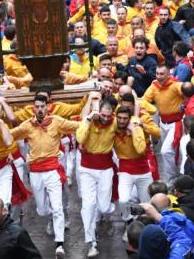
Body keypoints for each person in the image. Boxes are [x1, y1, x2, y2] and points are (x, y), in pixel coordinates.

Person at [10, 93, 80, 259]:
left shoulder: (57, 121)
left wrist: (91, 118)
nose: (40, 109)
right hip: (35, 172)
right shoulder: (27, 125)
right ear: (34, 107)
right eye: (37, 107)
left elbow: (77, 126)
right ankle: (52, 216)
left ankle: (59, 244)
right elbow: (10, 135)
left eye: (43, 106)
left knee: (57, 208)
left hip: (53, 170)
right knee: (42, 210)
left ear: (48, 106)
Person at [76, 99, 117, 257]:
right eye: (103, 115)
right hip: (87, 169)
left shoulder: (115, 123)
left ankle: (110, 210)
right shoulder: (89, 121)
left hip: (106, 168)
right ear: (98, 111)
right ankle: (91, 242)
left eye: (109, 115)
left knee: (104, 207)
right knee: (88, 205)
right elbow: (80, 138)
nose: (106, 118)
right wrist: (87, 119)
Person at [143, 65, 184, 181]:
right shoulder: (154, 86)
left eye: (162, 74)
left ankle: (171, 179)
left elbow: (189, 93)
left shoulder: (176, 85)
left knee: (166, 151)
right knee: (171, 151)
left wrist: (184, 105)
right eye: (157, 74)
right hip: (163, 123)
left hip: (177, 123)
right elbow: (144, 101)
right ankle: (176, 176)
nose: (159, 76)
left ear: (168, 75)